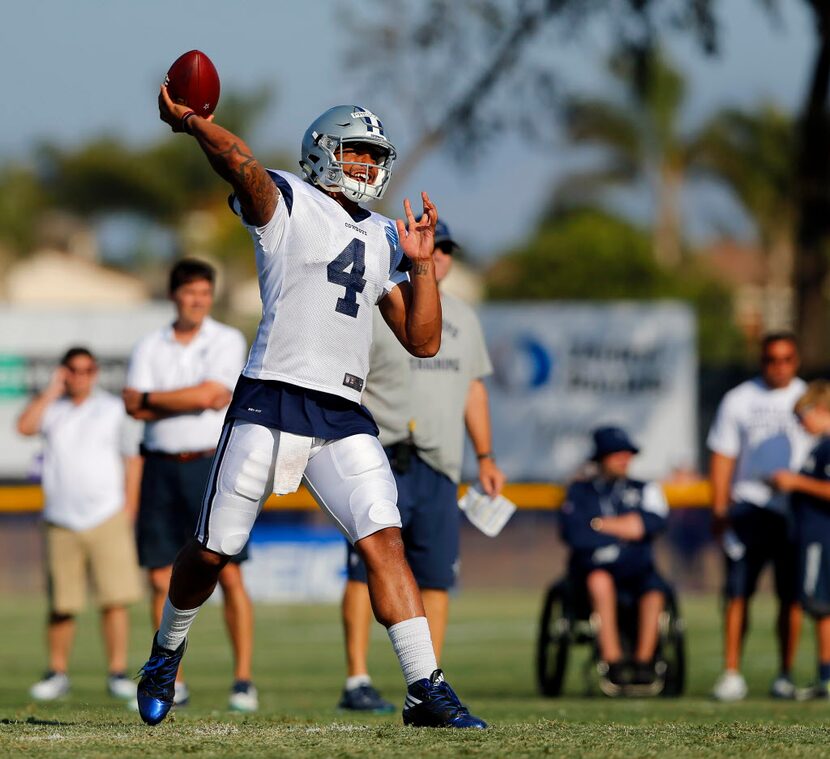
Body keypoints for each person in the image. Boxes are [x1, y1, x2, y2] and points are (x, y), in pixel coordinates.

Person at [134, 85, 486, 729]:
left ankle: (425, 688)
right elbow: (239, 160)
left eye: (372, 156)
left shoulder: (384, 235)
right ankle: (165, 652)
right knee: (211, 552)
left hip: (344, 412)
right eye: (354, 153)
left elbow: (424, 339)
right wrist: (193, 123)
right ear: (323, 153)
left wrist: (423, 266)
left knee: (385, 541)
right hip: (271, 396)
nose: (366, 167)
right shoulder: (287, 202)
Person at [337, 219, 505, 713]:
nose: (442, 256)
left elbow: (474, 388)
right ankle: (356, 678)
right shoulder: (375, 306)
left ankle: (426, 681)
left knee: (435, 576)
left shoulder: (465, 319)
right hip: (379, 452)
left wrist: (487, 456)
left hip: (438, 462)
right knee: (362, 569)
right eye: (436, 246)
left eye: (447, 248)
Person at [122, 258, 257, 712]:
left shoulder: (226, 339)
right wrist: (181, 399)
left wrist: (153, 399)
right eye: (189, 292)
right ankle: (171, 679)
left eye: (203, 292)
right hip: (159, 464)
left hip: (208, 466)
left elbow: (213, 395)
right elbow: (132, 407)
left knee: (229, 572)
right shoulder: (149, 345)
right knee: (160, 575)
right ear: (174, 295)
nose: (196, 300)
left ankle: (242, 679)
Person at [16, 347, 143, 702]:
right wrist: (51, 391)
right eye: (73, 370)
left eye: (87, 370)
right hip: (61, 519)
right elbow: (24, 427)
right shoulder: (52, 409)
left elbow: (132, 459)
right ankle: (57, 672)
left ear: (95, 372)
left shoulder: (111, 408)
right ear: (63, 372)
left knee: (115, 600)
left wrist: (129, 508)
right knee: (62, 604)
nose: (80, 376)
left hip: (106, 515)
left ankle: (117, 672)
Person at [707, 332, 809, 701]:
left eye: (786, 359)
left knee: (791, 597)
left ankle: (785, 673)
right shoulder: (739, 399)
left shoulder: (809, 398)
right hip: (749, 506)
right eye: (771, 360)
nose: (778, 367)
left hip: (794, 510)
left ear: (796, 361)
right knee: (737, 592)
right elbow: (723, 455)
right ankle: (732, 672)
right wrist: (719, 506)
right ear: (761, 360)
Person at [559, 426, 669, 687]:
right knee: (599, 580)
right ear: (600, 459)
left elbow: (653, 524)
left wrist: (599, 524)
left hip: (636, 570)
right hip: (593, 572)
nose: (624, 460)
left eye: (627, 454)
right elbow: (575, 534)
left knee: (654, 591)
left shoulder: (645, 489)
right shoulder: (580, 492)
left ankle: (644, 662)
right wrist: (626, 526)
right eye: (615, 454)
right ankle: (613, 661)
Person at [771, 381, 830, 698]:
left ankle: (826, 676)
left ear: (821, 410)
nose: (799, 423)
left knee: (822, 606)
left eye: (802, 415)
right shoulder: (820, 446)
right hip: (811, 536)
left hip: (822, 537)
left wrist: (795, 481)